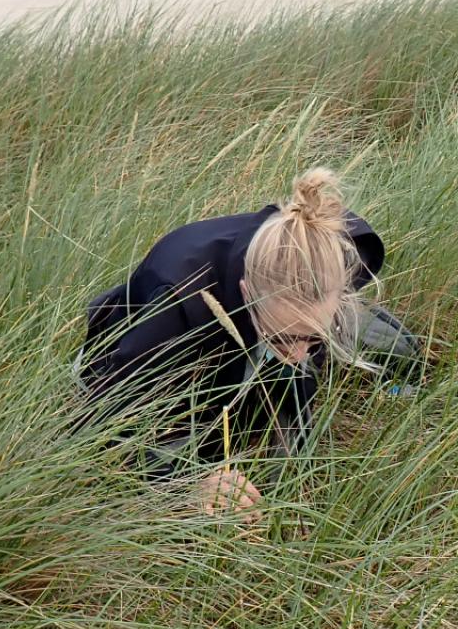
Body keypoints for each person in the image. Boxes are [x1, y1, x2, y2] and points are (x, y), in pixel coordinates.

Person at [73, 167, 393, 522]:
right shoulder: (174, 303)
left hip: (273, 323)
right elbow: (105, 426)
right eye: (284, 338)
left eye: (313, 338)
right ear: (245, 293)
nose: (299, 354)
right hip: (139, 361)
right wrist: (189, 483)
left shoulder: (334, 260)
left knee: (375, 344)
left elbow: (297, 365)